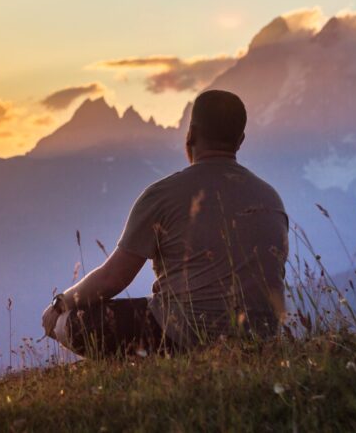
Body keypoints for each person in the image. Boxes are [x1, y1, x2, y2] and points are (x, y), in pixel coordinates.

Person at [41, 89, 288, 357]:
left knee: (68, 323)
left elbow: (113, 278)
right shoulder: (270, 198)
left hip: (185, 336)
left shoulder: (162, 195)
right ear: (240, 140)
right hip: (260, 336)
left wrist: (60, 304)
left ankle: (143, 367)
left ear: (191, 134)